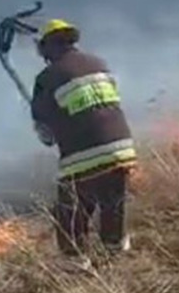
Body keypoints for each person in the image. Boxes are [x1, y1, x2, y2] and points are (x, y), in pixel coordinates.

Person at [29, 19, 136, 266]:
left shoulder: (47, 78)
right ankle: (115, 251)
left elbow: (45, 133)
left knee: (71, 208)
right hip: (121, 146)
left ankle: (74, 262)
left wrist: (50, 131)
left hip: (85, 154)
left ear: (47, 47)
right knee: (112, 201)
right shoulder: (99, 64)